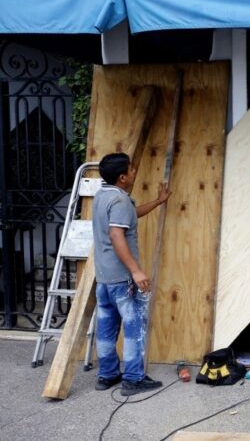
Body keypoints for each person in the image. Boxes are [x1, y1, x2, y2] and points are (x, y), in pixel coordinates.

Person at [92, 152, 171, 396]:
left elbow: (130, 217)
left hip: (104, 279)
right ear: (123, 177)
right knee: (134, 326)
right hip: (123, 279)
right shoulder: (120, 202)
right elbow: (117, 235)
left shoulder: (103, 196)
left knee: (106, 328)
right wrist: (136, 271)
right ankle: (133, 379)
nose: (135, 172)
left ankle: (107, 375)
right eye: (132, 170)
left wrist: (158, 202)